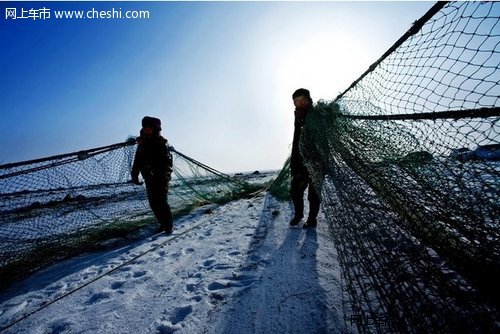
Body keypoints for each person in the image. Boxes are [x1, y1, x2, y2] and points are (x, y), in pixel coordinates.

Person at [131, 116, 174, 234]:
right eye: (145, 128)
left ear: (155, 128)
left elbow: (161, 160)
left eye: (149, 128)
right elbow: (137, 160)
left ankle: (168, 226)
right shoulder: (142, 143)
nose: (146, 130)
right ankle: (162, 224)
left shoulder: (160, 143)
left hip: (161, 177)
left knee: (161, 201)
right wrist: (134, 174)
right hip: (149, 177)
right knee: (153, 203)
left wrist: (144, 142)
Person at [289, 88, 321, 228]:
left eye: (302, 100)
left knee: (314, 194)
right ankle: (298, 215)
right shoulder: (297, 116)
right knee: (295, 190)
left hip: (317, 160)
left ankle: (312, 219)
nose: (299, 103)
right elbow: (296, 141)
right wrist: (293, 163)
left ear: (308, 100)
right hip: (300, 161)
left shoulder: (317, 114)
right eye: (296, 101)